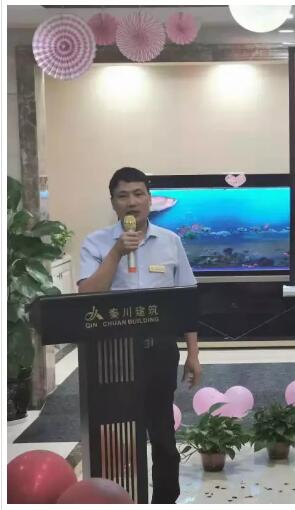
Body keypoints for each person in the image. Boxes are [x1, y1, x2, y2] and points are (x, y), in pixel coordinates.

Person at [78, 167, 201, 503]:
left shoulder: (170, 241)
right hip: (111, 353)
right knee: (116, 435)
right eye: (123, 196)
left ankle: (165, 499)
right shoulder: (96, 243)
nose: (131, 202)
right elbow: (87, 296)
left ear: (149, 199)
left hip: (159, 350)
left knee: (162, 435)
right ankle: (117, 499)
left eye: (138, 194)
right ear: (113, 203)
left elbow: (185, 301)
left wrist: (193, 354)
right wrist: (116, 252)